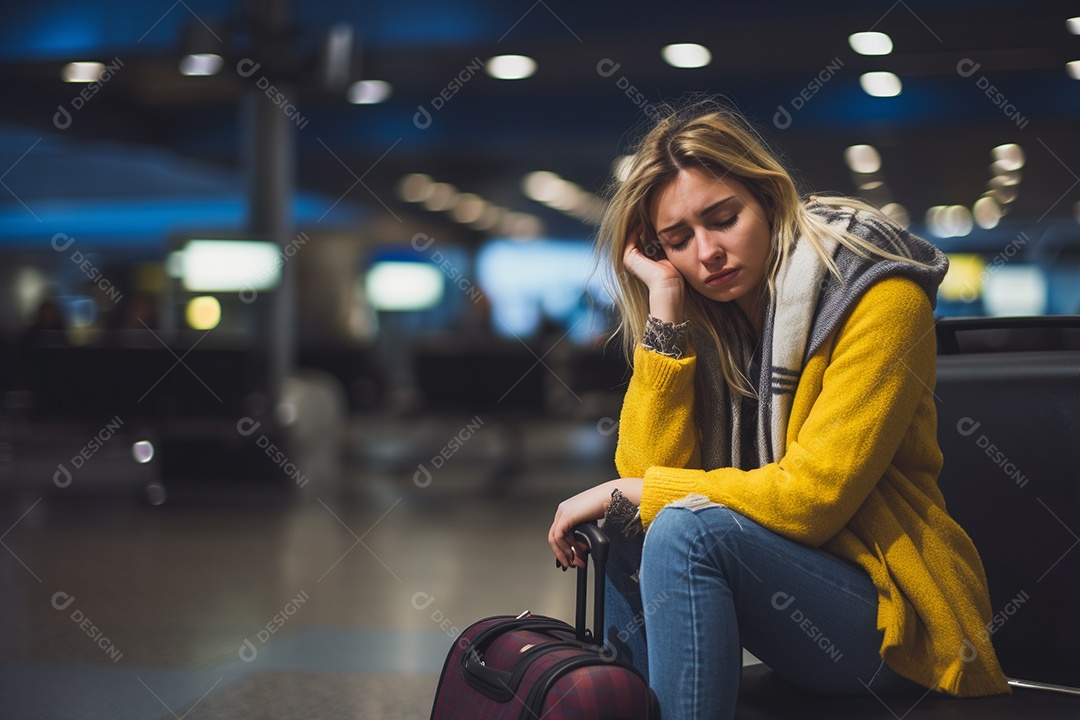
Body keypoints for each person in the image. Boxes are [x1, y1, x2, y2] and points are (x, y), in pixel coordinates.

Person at [547, 101, 1009, 719]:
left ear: (766, 197)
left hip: (896, 610)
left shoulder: (876, 294)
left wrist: (633, 490)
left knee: (686, 527)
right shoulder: (709, 322)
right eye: (678, 240)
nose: (706, 252)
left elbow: (812, 499)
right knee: (637, 526)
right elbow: (647, 470)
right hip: (793, 591)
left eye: (723, 218)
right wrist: (664, 313)